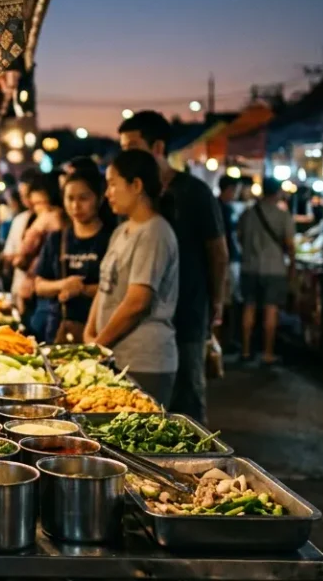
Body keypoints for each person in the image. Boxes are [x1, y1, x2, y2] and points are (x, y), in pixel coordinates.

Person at [118, 111, 227, 422]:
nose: (126, 154)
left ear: (157, 147)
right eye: (123, 147)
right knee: (144, 410)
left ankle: (197, 467)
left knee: (187, 402)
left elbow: (218, 252)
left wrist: (216, 302)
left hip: (188, 313)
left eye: (132, 145)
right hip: (145, 321)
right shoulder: (137, 196)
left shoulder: (194, 192)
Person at [84, 150, 180, 404]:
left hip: (144, 362)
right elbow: (105, 287)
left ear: (136, 185)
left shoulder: (155, 232)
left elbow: (138, 301)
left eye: (113, 184)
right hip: (112, 354)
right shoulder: (121, 231)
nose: (107, 193)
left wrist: (98, 344)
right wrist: (90, 334)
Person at [33, 163, 113, 342]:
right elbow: (38, 285)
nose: (76, 206)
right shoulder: (57, 239)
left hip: (99, 330)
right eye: (70, 198)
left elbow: (118, 289)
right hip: (58, 328)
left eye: (84, 198)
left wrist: (83, 289)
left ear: (99, 198)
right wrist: (64, 285)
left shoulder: (111, 239)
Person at [236, 178, 295, 364]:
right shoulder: (283, 216)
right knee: (271, 309)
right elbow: (290, 245)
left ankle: (246, 351)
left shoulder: (248, 214)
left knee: (249, 306)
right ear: (277, 192)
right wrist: (291, 265)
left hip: (250, 266)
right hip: (274, 268)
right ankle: (268, 353)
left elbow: (239, 237)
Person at [15, 176, 67, 337]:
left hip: (43, 290)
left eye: (38, 203)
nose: (35, 208)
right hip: (54, 290)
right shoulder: (65, 219)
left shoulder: (46, 220)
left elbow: (22, 259)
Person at [1, 168, 40, 306]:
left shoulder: (51, 221)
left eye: (28, 194)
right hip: (18, 288)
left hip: (39, 295)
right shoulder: (20, 220)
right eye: (22, 195)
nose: (27, 200)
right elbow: (8, 254)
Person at [218, 175, 243, 356]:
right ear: (229, 190)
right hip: (226, 261)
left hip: (228, 260)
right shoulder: (223, 209)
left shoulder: (220, 207)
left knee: (226, 302)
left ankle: (223, 341)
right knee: (225, 302)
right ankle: (222, 342)